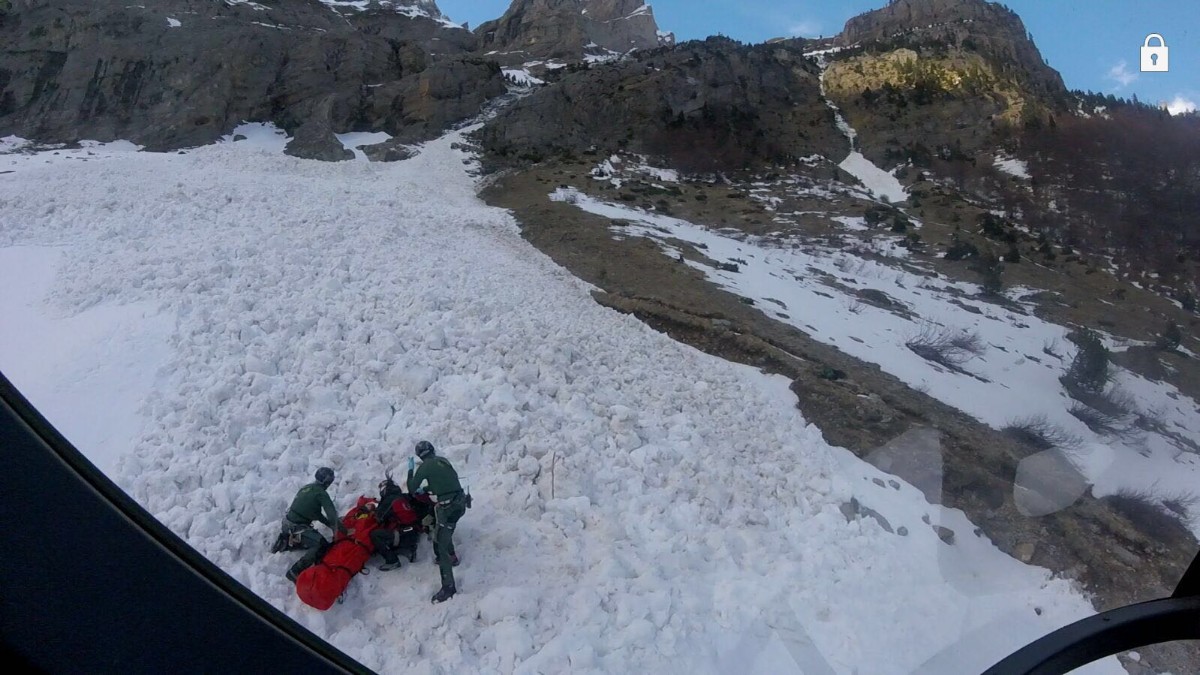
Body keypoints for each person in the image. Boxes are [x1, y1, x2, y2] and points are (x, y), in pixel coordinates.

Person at [407, 440, 469, 603]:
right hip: (460, 502)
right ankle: (452, 556)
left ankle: (448, 587)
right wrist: (427, 489)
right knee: (444, 532)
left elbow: (411, 488)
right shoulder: (443, 461)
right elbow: (443, 483)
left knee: (440, 544)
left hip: (448, 508)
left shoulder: (424, 467)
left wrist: (410, 471)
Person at [277, 467, 348, 583]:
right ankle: (295, 571)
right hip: (298, 527)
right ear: (327, 482)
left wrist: (332, 525)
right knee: (321, 545)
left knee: (313, 539)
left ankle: (288, 541)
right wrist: (342, 530)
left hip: (287, 524)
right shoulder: (321, 494)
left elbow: (316, 514)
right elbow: (332, 515)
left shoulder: (307, 488)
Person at [369, 475, 431, 571]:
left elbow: (379, 517)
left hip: (403, 534)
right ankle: (409, 548)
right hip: (414, 532)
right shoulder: (404, 497)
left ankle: (392, 561)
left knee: (375, 535)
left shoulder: (389, 501)